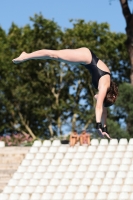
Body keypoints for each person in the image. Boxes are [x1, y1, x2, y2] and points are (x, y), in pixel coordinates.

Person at [12, 47, 118, 139]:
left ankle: (27, 56)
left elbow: (104, 111)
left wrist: (105, 128)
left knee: (55, 56)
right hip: (86, 57)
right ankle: (26, 56)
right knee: (54, 55)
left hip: (85, 60)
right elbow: (99, 107)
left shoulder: (106, 89)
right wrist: (98, 125)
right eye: (100, 98)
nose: (97, 98)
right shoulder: (104, 87)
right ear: (104, 95)